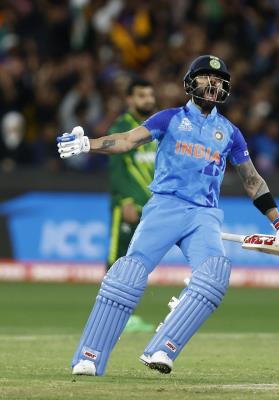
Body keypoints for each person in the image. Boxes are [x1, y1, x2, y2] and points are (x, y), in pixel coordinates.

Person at [57, 55, 279, 376]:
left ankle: (163, 347)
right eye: (205, 77)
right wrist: (87, 144)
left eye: (218, 80)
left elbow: (253, 180)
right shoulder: (169, 118)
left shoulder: (229, 132)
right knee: (127, 275)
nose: (212, 83)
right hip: (165, 207)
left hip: (204, 215)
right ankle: (89, 356)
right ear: (191, 83)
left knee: (214, 275)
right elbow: (127, 141)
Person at [106, 78, 157, 333]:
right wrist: (126, 200)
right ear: (129, 100)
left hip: (150, 207)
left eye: (149, 94)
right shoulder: (123, 127)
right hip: (127, 206)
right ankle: (112, 314)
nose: (148, 99)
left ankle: (126, 314)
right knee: (118, 259)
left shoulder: (153, 129)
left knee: (136, 262)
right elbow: (116, 169)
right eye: (141, 95)